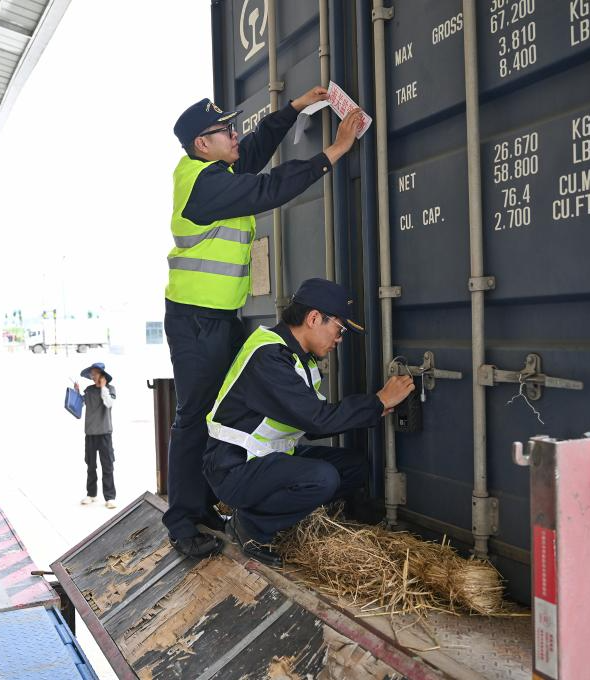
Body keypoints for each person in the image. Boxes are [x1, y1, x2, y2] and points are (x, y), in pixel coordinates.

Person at [163, 89, 364, 558]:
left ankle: (212, 501)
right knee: (193, 416)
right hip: (195, 320)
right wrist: (334, 151)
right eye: (225, 131)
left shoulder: (216, 169)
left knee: (218, 410)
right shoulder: (204, 185)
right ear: (202, 144)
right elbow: (270, 187)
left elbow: (253, 151)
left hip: (217, 317)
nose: (235, 135)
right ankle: (184, 519)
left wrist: (293, 109)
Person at [202, 278, 415, 567]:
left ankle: (278, 515)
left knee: (354, 467)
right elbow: (317, 420)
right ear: (314, 318)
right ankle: (250, 525)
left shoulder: (301, 359)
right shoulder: (270, 356)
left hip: (265, 458)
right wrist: (377, 401)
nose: (339, 339)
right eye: (339, 329)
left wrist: (374, 410)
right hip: (233, 466)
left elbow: (310, 425)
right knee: (322, 478)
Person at [75, 362, 117, 509]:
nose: (92, 376)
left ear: (102, 375)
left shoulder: (110, 389)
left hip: (105, 433)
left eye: (95, 373)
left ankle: (110, 497)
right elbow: (80, 404)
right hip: (90, 433)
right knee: (90, 465)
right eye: (91, 374)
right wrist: (77, 393)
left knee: (107, 466)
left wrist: (103, 387)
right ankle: (91, 494)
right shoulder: (89, 390)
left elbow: (109, 403)